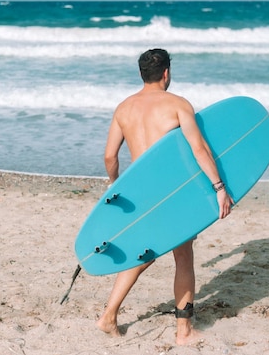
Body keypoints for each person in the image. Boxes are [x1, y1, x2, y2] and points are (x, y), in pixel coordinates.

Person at [96, 48, 234, 345]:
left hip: (141, 193)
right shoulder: (177, 105)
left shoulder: (124, 108)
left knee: (144, 253)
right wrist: (219, 188)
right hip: (172, 193)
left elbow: (110, 157)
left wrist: (115, 185)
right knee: (183, 256)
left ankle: (108, 316)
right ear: (167, 73)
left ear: (141, 74)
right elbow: (199, 150)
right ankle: (183, 332)